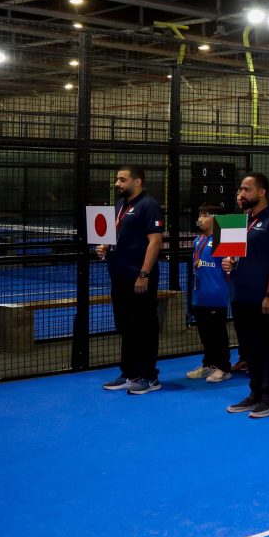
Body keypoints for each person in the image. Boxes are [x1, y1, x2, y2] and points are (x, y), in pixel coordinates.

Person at [222, 173, 269, 418]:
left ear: (261, 192)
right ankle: (254, 393)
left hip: (262, 297)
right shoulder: (237, 222)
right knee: (249, 348)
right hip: (240, 295)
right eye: (240, 189)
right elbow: (229, 258)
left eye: (247, 189)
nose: (241, 194)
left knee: (266, 347)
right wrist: (227, 263)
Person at [96, 165, 164, 394]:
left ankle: (149, 377)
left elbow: (155, 242)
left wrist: (144, 274)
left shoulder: (149, 205)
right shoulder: (119, 205)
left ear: (137, 182)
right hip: (119, 276)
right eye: (117, 179)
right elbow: (116, 235)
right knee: (126, 326)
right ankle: (129, 373)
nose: (117, 183)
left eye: (122, 180)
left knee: (144, 326)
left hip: (139, 277)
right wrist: (105, 246)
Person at [184, 203, 233, 383]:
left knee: (217, 333)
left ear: (216, 219)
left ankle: (223, 367)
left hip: (216, 294)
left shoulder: (224, 239)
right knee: (205, 332)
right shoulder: (198, 240)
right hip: (199, 294)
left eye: (205, 215)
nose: (200, 219)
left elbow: (231, 266)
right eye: (199, 215)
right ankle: (209, 364)